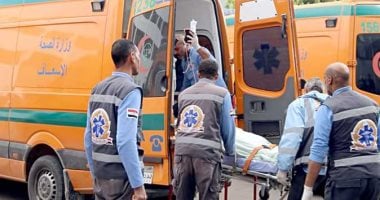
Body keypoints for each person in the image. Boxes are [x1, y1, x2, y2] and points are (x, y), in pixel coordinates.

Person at [302, 62, 380, 200]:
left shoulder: (328, 108)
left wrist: (308, 188)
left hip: (345, 181)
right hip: (373, 179)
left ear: (329, 80)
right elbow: (377, 143)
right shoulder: (372, 105)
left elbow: (319, 148)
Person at [84, 39, 147, 200]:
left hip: (101, 177)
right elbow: (125, 141)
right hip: (122, 181)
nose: (140, 60)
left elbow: (88, 139)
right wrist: (138, 187)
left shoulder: (97, 89)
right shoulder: (130, 91)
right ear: (132, 56)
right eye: (138, 55)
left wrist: (95, 174)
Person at [173, 59, 235, 200]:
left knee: (182, 196)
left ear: (198, 74)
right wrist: (230, 153)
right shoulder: (222, 94)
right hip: (207, 155)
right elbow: (228, 128)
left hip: (182, 153)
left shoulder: (184, 94)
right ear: (216, 76)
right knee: (208, 195)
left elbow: (180, 123)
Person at [277, 78, 328, 200]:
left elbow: (292, 138)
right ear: (324, 90)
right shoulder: (333, 103)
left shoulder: (298, 105)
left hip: (307, 170)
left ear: (306, 91)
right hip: (332, 170)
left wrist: (283, 168)